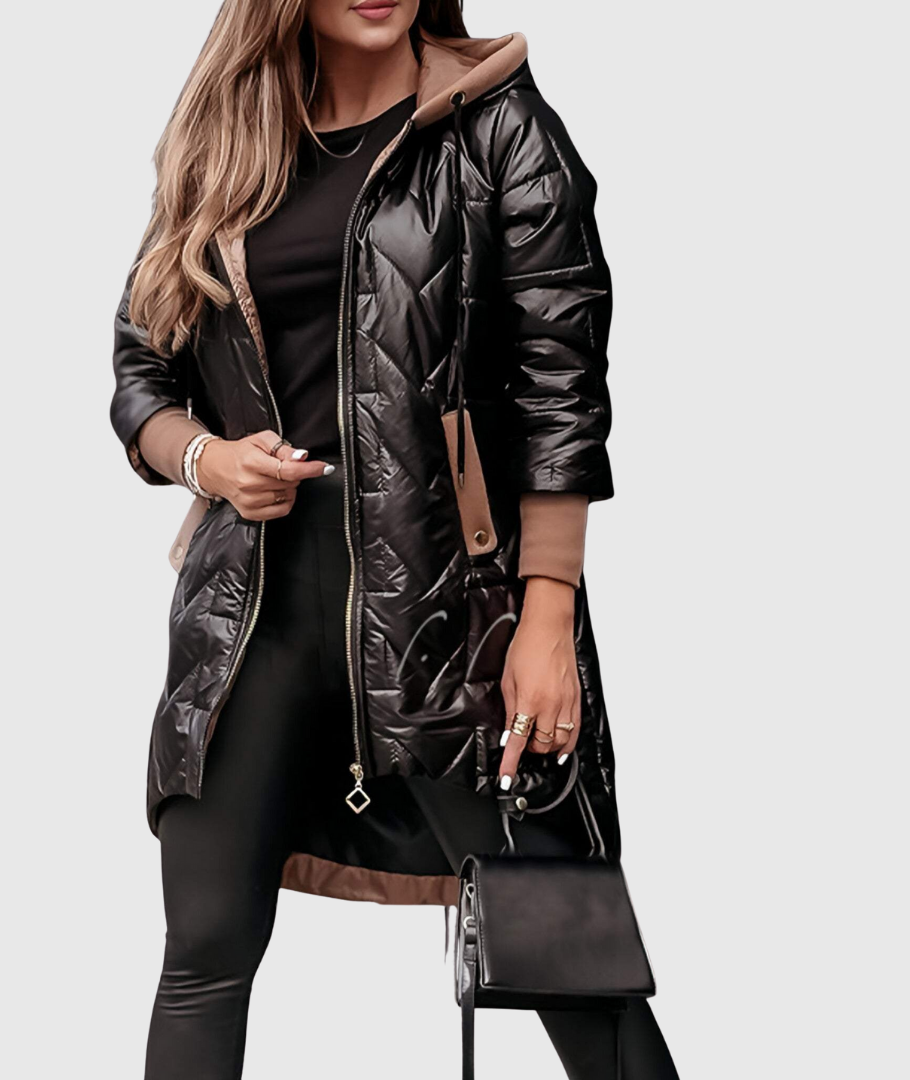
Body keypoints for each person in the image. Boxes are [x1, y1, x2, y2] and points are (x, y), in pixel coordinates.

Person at [110, 2, 678, 1077]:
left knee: (570, 959)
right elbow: (143, 367)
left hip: (456, 621)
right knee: (203, 958)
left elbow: (562, 386)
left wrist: (547, 615)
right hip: (251, 620)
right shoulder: (227, 137)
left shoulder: (497, 123)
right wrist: (208, 461)